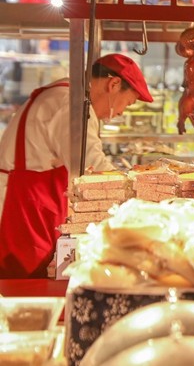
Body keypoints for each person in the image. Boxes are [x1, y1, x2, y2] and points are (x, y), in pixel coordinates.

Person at [0, 53, 153, 278]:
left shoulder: (67, 96)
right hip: (19, 212)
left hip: (31, 206)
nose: (121, 112)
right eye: (127, 103)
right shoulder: (71, 103)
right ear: (113, 84)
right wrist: (142, 198)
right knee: (20, 287)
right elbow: (94, 168)